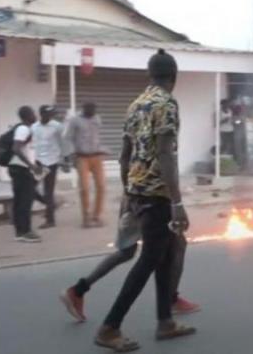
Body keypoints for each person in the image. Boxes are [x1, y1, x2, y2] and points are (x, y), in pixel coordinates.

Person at [93, 49, 195, 351]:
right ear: (173, 77)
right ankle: (110, 327)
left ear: (149, 76)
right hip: (157, 194)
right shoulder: (166, 104)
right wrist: (177, 201)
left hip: (137, 191)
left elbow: (125, 154)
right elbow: (165, 153)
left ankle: (165, 322)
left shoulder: (135, 104)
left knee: (164, 255)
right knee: (150, 259)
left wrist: (127, 191)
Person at [60, 195, 201, 324]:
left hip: (138, 200)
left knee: (129, 252)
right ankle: (168, 303)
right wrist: (176, 204)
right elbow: (165, 172)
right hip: (149, 203)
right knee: (162, 252)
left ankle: (79, 290)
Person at [66, 102, 107, 228]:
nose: (94, 113)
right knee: (84, 188)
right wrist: (72, 155)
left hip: (97, 156)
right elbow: (69, 138)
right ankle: (86, 218)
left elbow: (97, 136)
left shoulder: (97, 119)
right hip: (82, 157)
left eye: (95, 110)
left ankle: (97, 216)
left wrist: (101, 149)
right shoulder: (75, 121)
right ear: (85, 109)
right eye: (91, 110)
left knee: (101, 186)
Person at [31, 105, 67, 229]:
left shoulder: (57, 126)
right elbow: (32, 144)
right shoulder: (34, 127)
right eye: (48, 114)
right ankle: (49, 205)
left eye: (52, 114)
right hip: (38, 162)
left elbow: (64, 143)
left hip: (52, 162)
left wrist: (65, 159)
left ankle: (50, 220)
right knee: (30, 188)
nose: (51, 116)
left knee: (49, 191)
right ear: (42, 114)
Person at [10, 106, 42, 243]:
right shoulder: (23, 129)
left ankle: (19, 231)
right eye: (33, 113)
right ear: (27, 115)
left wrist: (36, 163)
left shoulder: (26, 129)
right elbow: (16, 149)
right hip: (21, 169)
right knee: (25, 202)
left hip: (19, 168)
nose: (35, 115)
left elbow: (26, 149)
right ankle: (26, 231)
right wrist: (31, 165)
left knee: (19, 201)